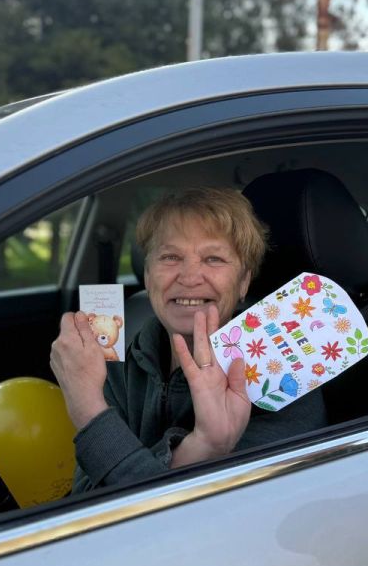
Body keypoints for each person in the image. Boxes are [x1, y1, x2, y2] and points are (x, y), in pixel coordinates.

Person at [50, 188, 327, 493]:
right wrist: (196, 451)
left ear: (243, 282)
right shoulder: (117, 359)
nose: (190, 277)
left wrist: (89, 409)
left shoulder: (286, 375)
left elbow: (199, 512)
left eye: (213, 258)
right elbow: (85, 497)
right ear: (147, 276)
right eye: (170, 257)